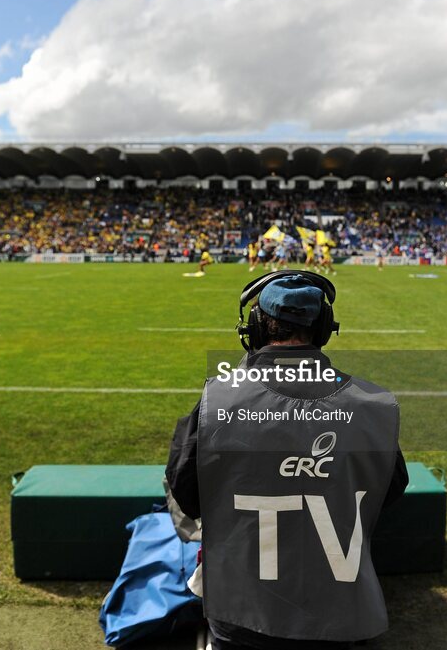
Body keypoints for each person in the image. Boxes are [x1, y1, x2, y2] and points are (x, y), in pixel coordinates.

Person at [166, 272, 408, 650]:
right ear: (324, 328)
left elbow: (185, 493)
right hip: (338, 613)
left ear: (255, 330)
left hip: (241, 613)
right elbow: (388, 490)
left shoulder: (219, 400)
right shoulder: (371, 404)